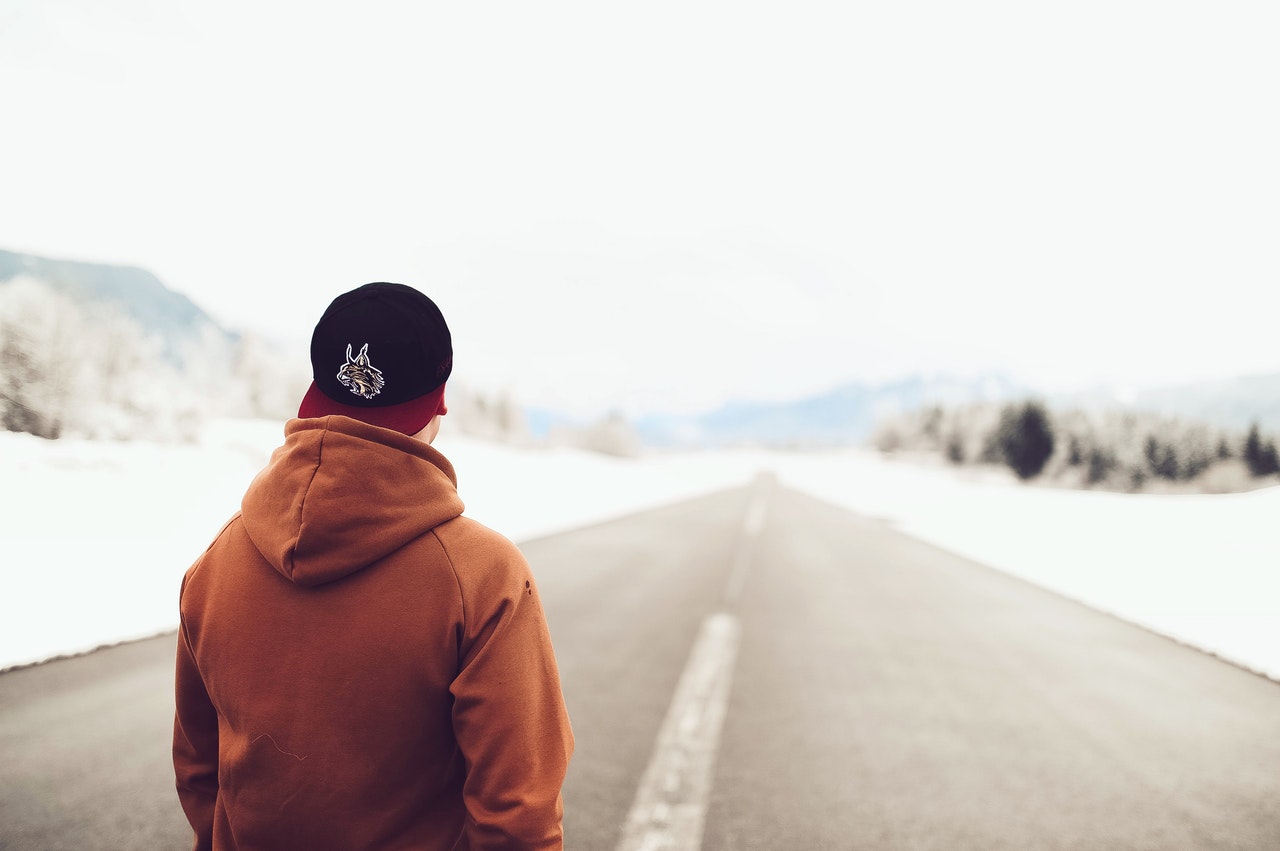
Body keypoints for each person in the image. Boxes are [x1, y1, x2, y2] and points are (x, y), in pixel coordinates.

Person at [173, 282, 574, 850]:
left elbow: (198, 771)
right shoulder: (482, 576)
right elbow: (518, 814)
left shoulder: (215, 564)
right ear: (438, 404)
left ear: (313, 395)